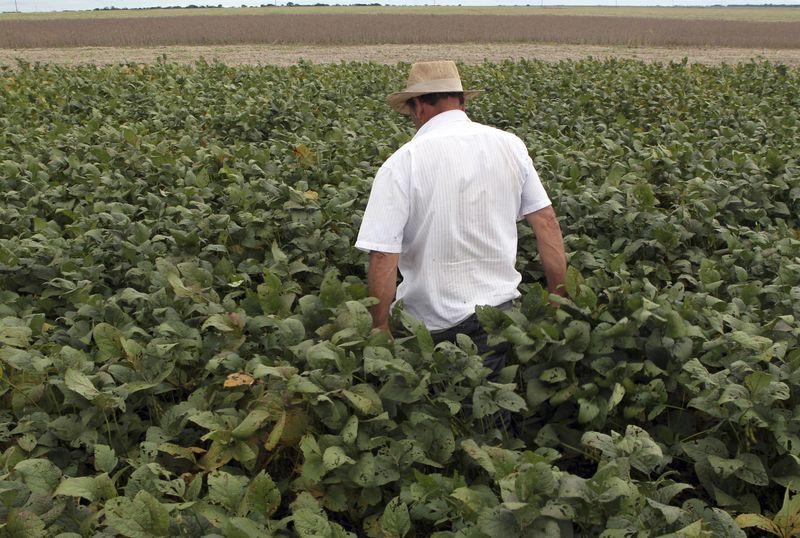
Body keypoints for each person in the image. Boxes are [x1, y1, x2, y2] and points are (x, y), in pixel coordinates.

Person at [355, 61, 567, 430]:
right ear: (460, 101)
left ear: (419, 106)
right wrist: (558, 298)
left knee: (446, 424)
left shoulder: (403, 163)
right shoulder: (509, 145)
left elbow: (383, 255)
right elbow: (545, 223)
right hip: (502, 315)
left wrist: (380, 325)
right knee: (497, 416)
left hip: (434, 325)